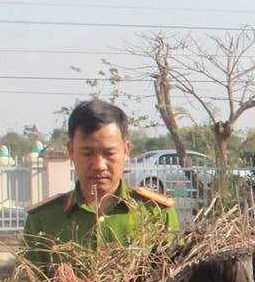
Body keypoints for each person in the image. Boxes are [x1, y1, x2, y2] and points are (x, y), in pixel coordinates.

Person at [20, 99, 178, 271]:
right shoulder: (43, 220)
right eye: (87, 153)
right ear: (71, 150)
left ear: (126, 150)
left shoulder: (156, 213)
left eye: (109, 153)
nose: (99, 165)